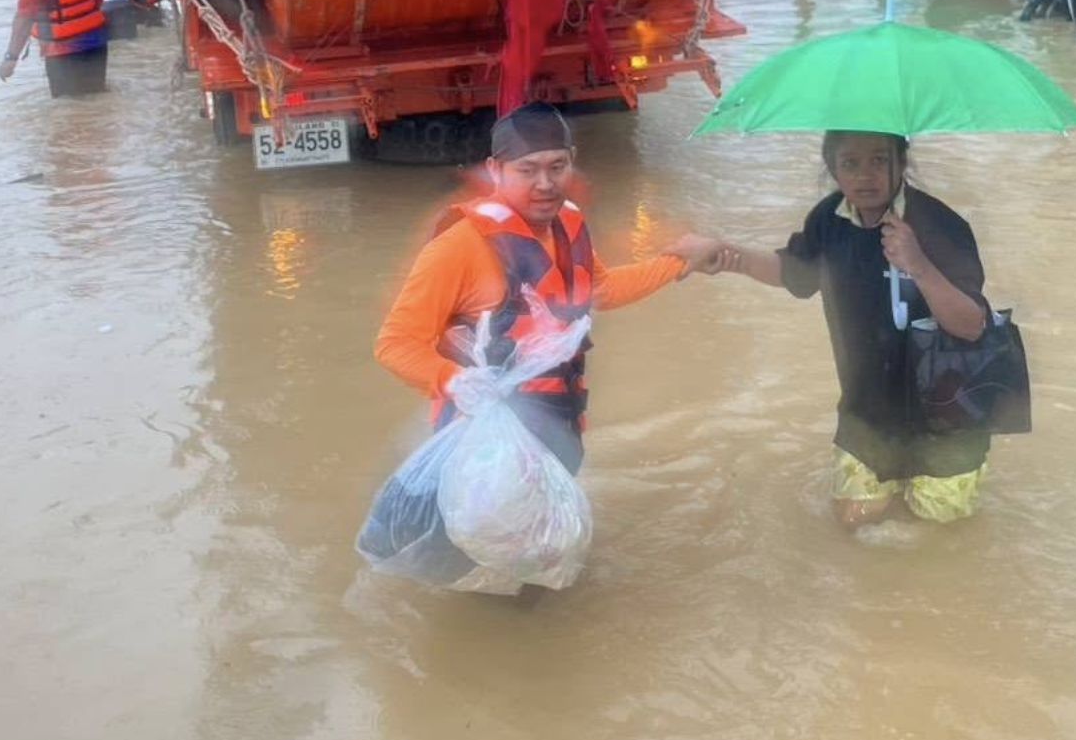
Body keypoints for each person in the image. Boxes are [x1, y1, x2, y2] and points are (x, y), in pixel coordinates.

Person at [375, 103, 724, 478]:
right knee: (489, 534)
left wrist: (678, 262)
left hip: (559, 423)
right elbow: (395, 344)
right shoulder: (458, 247)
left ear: (572, 162)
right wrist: (455, 381)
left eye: (557, 167)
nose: (545, 183)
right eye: (527, 170)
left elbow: (600, 290)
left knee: (551, 531)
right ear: (495, 170)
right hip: (483, 447)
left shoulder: (568, 224)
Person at [714, 131, 994, 527]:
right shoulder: (829, 221)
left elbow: (970, 326)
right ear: (832, 168)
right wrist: (730, 257)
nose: (865, 176)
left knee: (936, 538)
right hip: (869, 412)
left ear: (902, 160)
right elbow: (796, 274)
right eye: (850, 163)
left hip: (948, 419)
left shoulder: (940, 225)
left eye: (879, 160)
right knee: (853, 525)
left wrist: (918, 263)